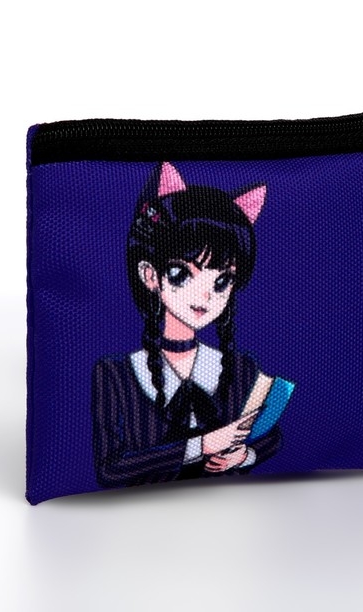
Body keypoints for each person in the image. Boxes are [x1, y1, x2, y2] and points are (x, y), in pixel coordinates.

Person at [92, 161, 284, 489]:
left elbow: (271, 434)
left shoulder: (239, 368)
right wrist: (202, 446)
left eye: (222, 282)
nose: (205, 296)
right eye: (182, 274)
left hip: (236, 508)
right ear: (150, 275)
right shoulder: (116, 375)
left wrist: (244, 456)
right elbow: (111, 467)